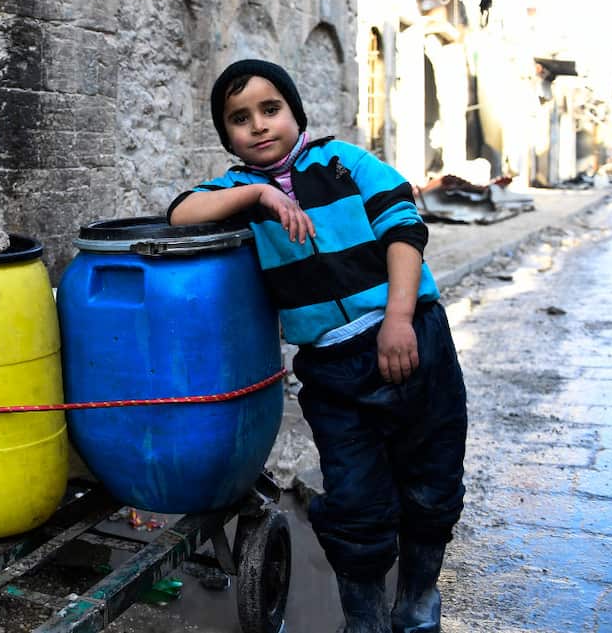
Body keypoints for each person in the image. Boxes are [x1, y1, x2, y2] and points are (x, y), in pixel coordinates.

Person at [168, 59, 466, 633]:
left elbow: (404, 229)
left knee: (432, 481)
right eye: (239, 118)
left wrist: (399, 318)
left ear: (295, 112)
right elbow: (181, 212)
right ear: (225, 133)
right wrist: (259, 195)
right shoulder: (236, 191)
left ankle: (419, 599)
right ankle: (365, 620)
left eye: (270, 109)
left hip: (412, 342)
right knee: (355, 499)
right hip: (333, 369)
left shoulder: (345, 163)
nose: (258, 125)